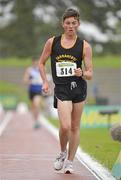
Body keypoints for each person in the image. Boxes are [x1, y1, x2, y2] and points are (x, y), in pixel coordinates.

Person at [39, 8, 93, 174]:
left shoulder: (84, 46)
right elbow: (41, 63)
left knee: (75, 127)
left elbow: (90, 73)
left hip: (79, 89)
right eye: (68, 23)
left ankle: (70, 161)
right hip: (61, 88)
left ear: (78, 24)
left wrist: (82, 72)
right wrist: (45, 82)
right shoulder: (52, 42)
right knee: (65, 126)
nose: (71, 26)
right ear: (63, 24)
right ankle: (63, 152)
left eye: (74, 23)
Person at [23, 57, 43, 129]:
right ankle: (36, 121)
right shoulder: (29, 70)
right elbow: (25, 80)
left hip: (39, 90)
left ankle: (37, 120)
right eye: (35, 62)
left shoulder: (42, 69)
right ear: (33, 62)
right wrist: (30, 81)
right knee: (33, 107)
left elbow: (45, 79)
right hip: (32, 90)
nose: (36, 63)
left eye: (38, 62)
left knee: (36, 104)